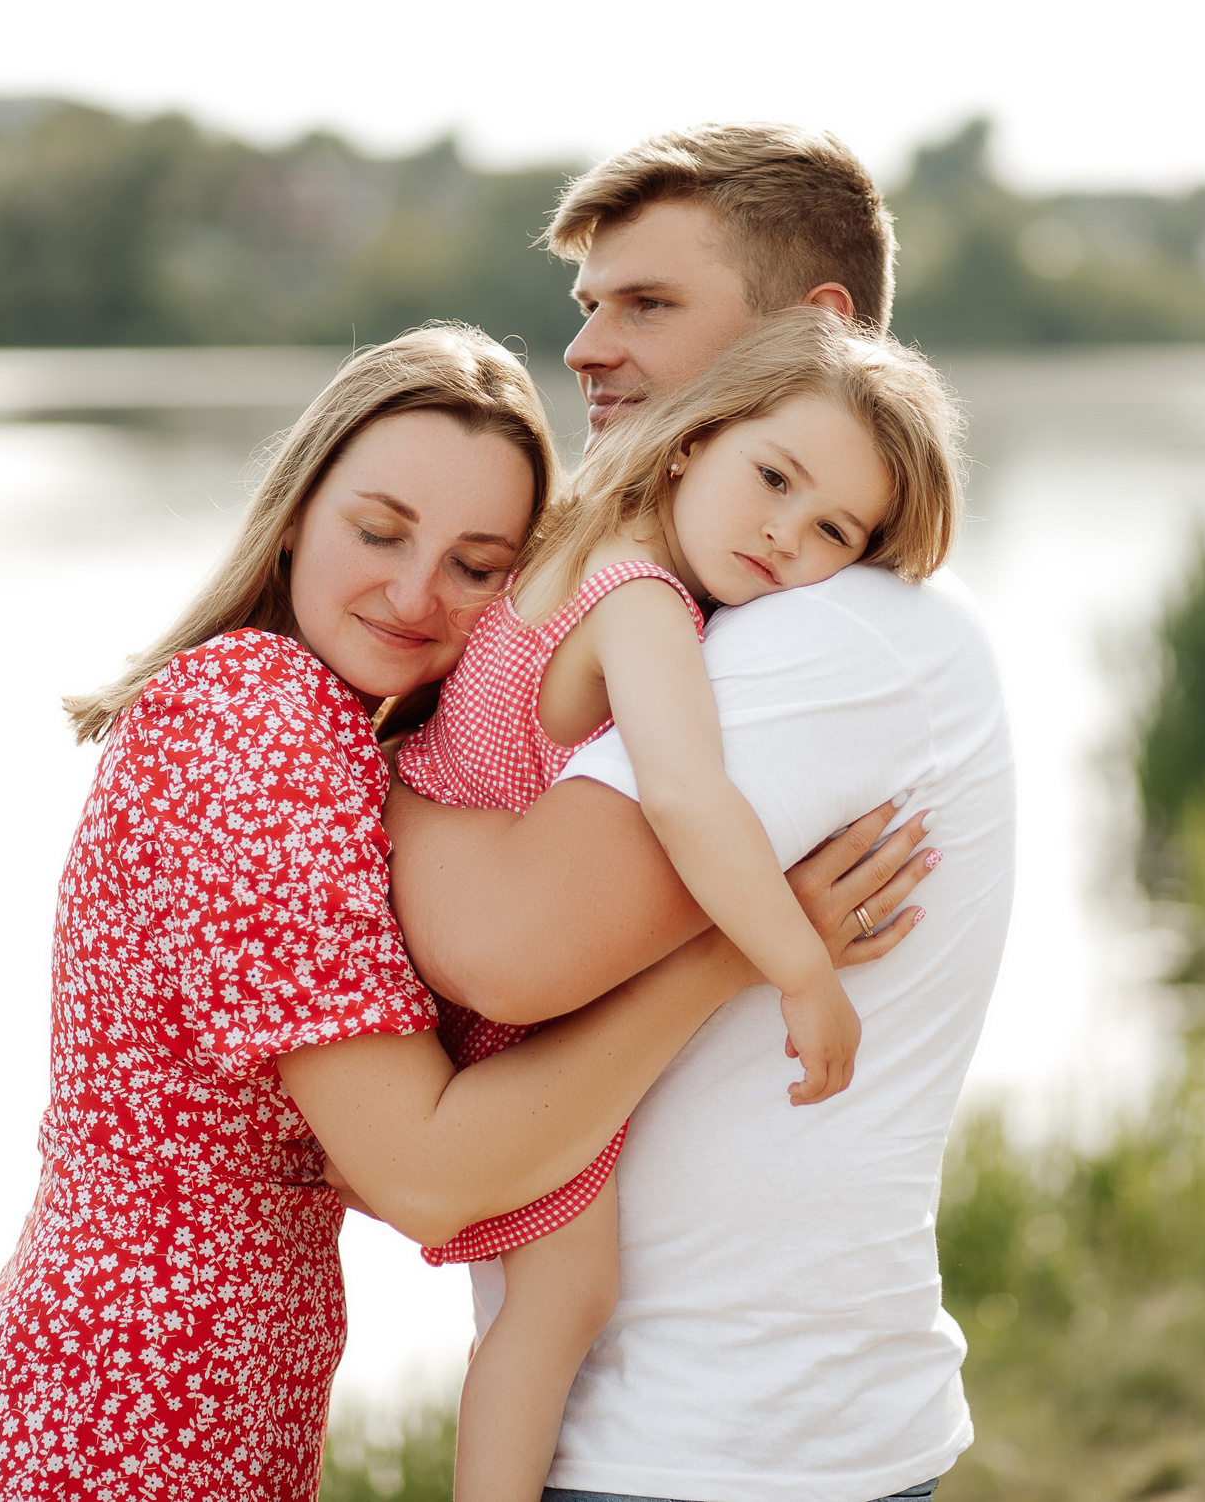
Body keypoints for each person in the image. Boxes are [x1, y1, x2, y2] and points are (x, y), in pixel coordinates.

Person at [0, 323, 936, 1502]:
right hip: (95, 1431)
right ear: (296, 510)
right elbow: (428, 1175)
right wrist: (735, 958)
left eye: (478, 565)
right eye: (380, 532)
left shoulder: (343, 739)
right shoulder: (256, 722)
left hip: (174, 1419)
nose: (414, 592)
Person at [389, 125, 1016, 1502]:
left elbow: (503, 946)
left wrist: (371, 795)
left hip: (729, 1445)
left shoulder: (821, 634)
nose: (588, 349)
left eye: (650, 303)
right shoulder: (657, 583)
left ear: (811, 330)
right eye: (588, 305)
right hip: (697, 1429)